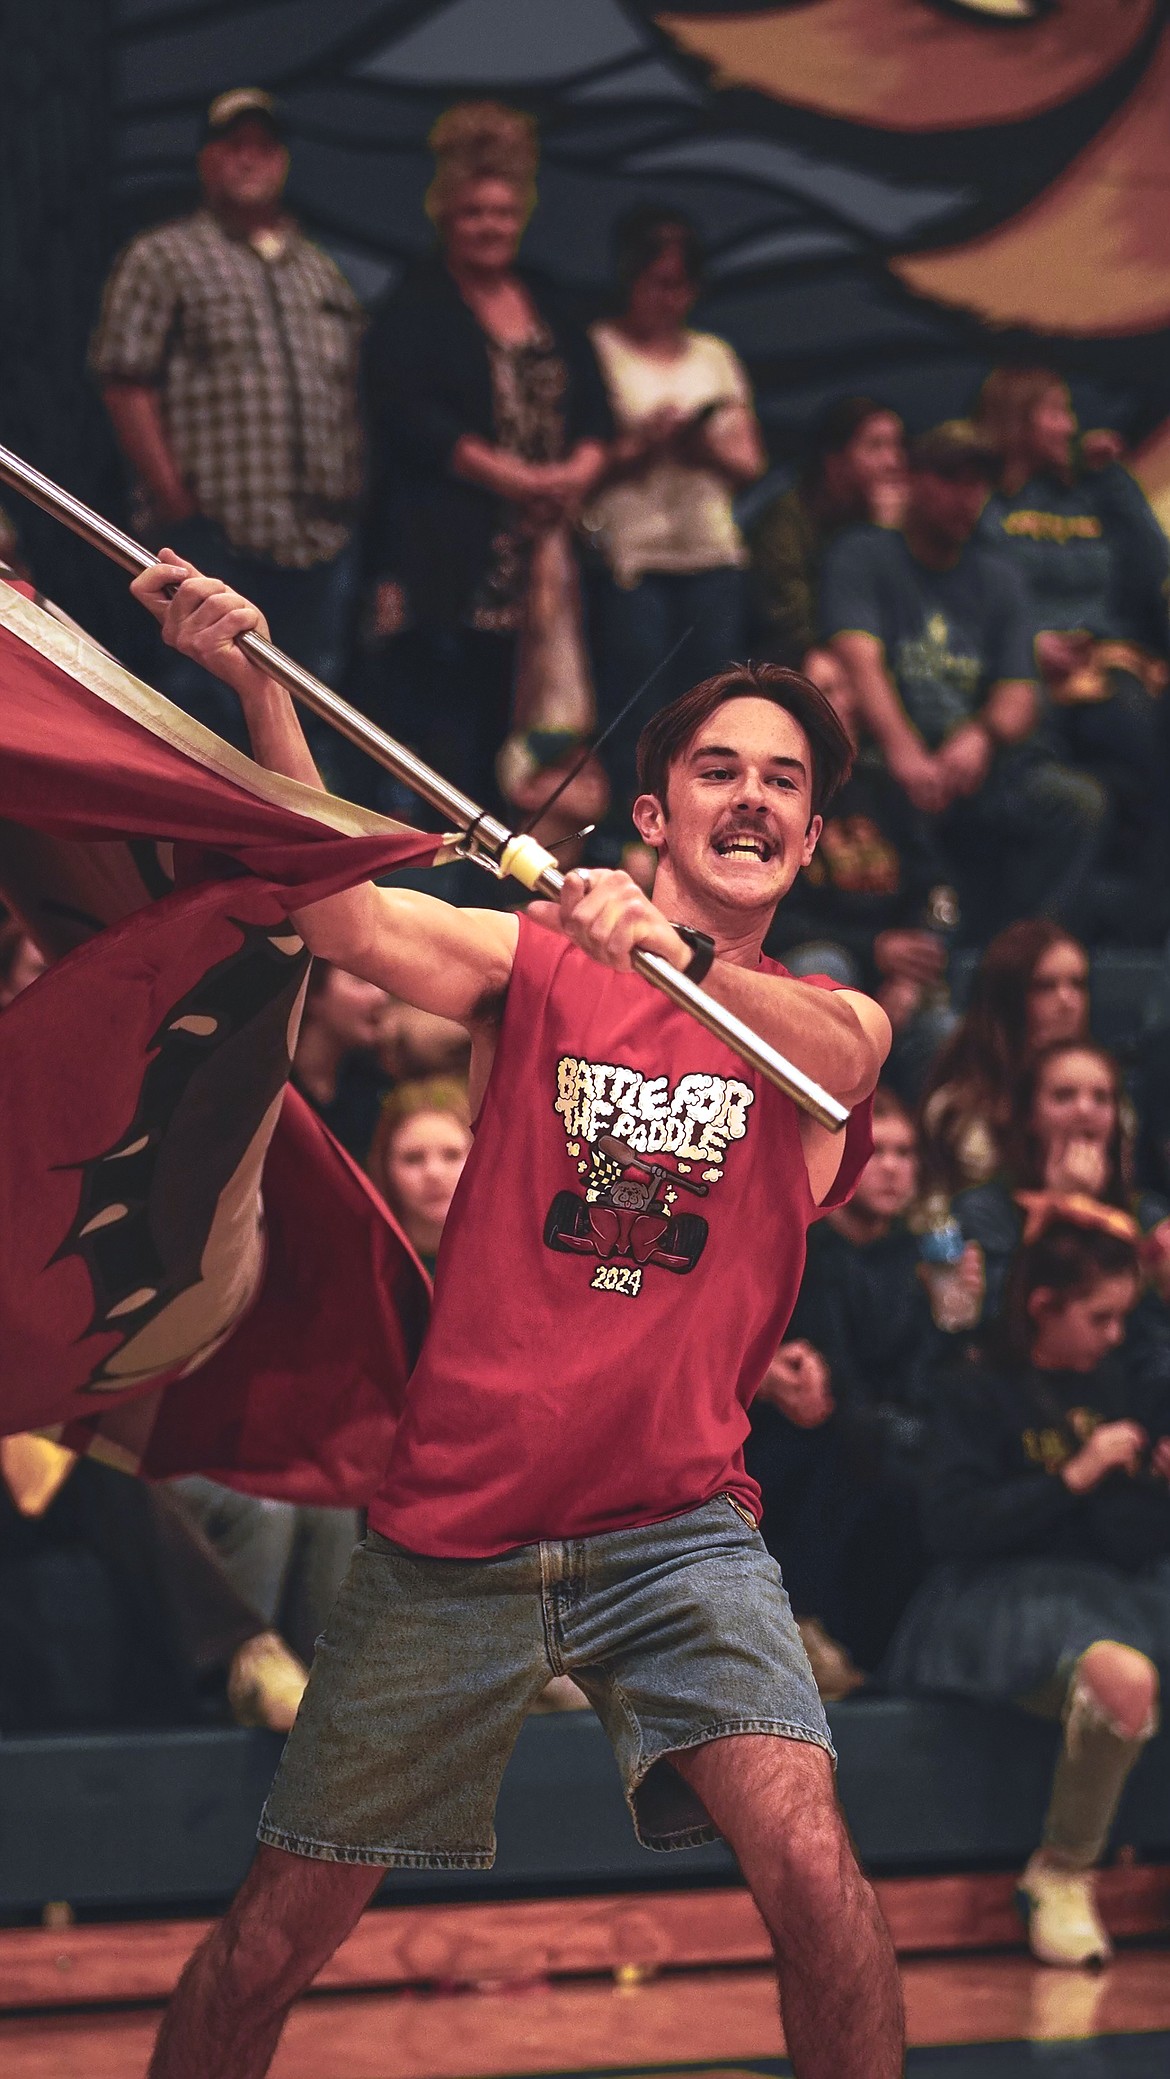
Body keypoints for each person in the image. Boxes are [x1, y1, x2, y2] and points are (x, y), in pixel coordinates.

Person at [134, 542, 903, 2078]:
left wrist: (676, 951)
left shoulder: (834, 1027)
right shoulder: (538, 958)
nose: (747, 798)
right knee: (272, 1939)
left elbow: (836, 1044)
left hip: (678, 1529)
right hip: (448, 1540)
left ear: (810, 835)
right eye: (715, 771)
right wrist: (255, 680)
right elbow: (341, 919)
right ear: (651, 811)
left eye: (780, 783)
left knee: (816, 1872)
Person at [885, 1208, 1170, 1967]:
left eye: (1124, 1318)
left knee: (1128, 1652)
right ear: (1044, 1306)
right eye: (1100, 1317)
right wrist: (1073, 1477)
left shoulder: (1115, 1381)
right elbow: (953, 1525)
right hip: (996, 1596)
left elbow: (1125, 1537)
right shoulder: (976, 1387)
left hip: (1106, 1587)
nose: (1115, 1335)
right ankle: (1063, 1872)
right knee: (1122, 1674)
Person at [91, 89, 366, 750]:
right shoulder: (163, 255)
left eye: (264, 147)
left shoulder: (319, 269)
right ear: (207, 160)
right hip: (214, 534)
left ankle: (312, 845)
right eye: (233, 145)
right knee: (208, 714)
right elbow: (124, 379)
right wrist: (174, 500)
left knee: (313, 709)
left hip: (321, 538)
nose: (250, 159)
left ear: (283, 161)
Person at [360, 102, 612, 813]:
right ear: (446, 215)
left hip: (549, 558)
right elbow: (410, 417)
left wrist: (575, 472)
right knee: (455, 727)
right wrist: (514, 478)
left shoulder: (549, 296)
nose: (490, 227)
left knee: (536, 727)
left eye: (502, 212)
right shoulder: (416, 303)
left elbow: (596, 407)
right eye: (474, 213)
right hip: (454, 554)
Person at [823, 420, 1105, 946]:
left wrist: (979, 737)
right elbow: (859, 660)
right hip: (887, 764)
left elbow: (1020, 690)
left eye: (979, 482)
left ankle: (1026, 957)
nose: (967, 495)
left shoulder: (999, 575)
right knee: (881, 798)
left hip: (976, 764)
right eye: (951, 478)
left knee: (1075, 803)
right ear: (914, 480)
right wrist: (906, 751)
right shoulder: (864, 554)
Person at [748, 1089, 980, 1678]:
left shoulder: (917, 1260)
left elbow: (929, 1380)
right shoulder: (797, 1246)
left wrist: (954, 1323)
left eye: (905, 1154)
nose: (894, 1168)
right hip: (806, 1445)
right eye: (876, 1152)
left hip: (892, 1438)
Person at [583, 207, 765, 830]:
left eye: (680, 284)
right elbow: (577, 463)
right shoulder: (600, 348)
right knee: (637, 712)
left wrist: (700, 446)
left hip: (711, 554)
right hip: (633, 555)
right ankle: (629, 837)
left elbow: (750, 461)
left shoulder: (714, 355)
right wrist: (639, 444)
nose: (668, 297)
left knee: (711, 714)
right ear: (629, 279)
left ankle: (703, 833)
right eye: (655, 281)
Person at [975, 367, 1170, 934]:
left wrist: (1115, 479)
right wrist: (1031, 641)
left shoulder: (1089, 492)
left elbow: (1154, 565)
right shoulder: (987, 500)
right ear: (1017, 420)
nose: (1070, 426)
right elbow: (974, 589)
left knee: (1141, 727)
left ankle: (1151, 911)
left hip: (1106, 667)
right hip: (1026, 665)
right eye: (1055, 412)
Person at [919, 920, 1091, 1201]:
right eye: (1045, 987)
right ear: (1009, 998)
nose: (1067, 1000)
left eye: (1078, 984)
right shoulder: (958, 1109)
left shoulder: (1100, 1096)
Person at [747, 395, 906, 672]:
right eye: (875, 447)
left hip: (875, 653)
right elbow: (788, 620)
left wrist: (888, 535)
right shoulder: (787, 521)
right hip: (798, 657)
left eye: (896, 445)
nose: (893, 461)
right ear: (835, 462)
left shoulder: (899, 518)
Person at [366, 1077, 472, 1275]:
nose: (434, 1173)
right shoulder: (366, 1267)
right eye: (413, 1158)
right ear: (384, 1167)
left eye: (452, 1155)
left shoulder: (513, 1252)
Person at [291, 959, 392, 1165]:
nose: (381, 997)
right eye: (361, 981)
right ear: (312, 995)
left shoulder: (375, 1082)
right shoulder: (271, 1087)